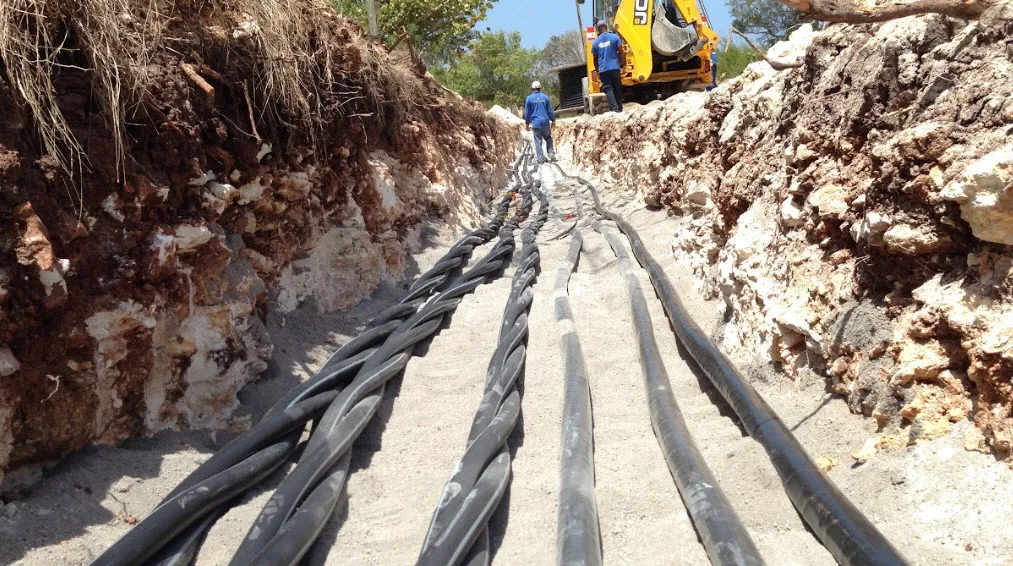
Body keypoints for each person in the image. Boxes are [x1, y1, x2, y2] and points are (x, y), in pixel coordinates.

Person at [591, 20, 623, 113]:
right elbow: (621, 52)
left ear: (598, 29)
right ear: (606, 27)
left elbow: (595, 59)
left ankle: (615, 109)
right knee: (617, 87)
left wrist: (597, 70)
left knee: (609, 90)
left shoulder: (595, 42)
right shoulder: (615, 37)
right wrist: (622, 64)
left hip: (603, 70)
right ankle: (620, 107)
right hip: (614, 67)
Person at [524, 80, 556, 164]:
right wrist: (553, 120)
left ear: (532, 89)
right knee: (548, 137)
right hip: (545, 122)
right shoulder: (545, 97)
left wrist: (527, 123)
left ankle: (541, 159)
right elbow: (549, 110)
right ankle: (551, 153)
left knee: (538, 141)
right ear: (540, 88)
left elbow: (527, 113)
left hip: (536, 123)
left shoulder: (529, 98)